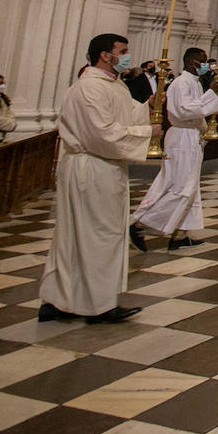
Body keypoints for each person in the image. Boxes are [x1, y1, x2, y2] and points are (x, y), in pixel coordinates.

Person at [38, 33, 155, 324]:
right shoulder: (88, 88)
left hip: (104, 168)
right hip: (90, 166)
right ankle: (98, 305)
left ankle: (59, 300)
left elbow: (127, 115)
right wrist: (148, 133)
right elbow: (102, 133)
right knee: (98, 235)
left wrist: (148, 108)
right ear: (105, 55)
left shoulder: (113, 86)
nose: (127, 56)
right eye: (123, 51)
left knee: (78, 237)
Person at [129, 47, 218, 251]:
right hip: (181, 137)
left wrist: (204, 130)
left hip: (191, 136)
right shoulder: (180, 83)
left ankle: (180, 234)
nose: (207, 65)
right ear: (191, 62)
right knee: (179, 186)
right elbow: (184, 111)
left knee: (189, 186)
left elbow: (197, 111)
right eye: (202, 61)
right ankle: (139, 224)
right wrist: (212, 94)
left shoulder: (195, 83)